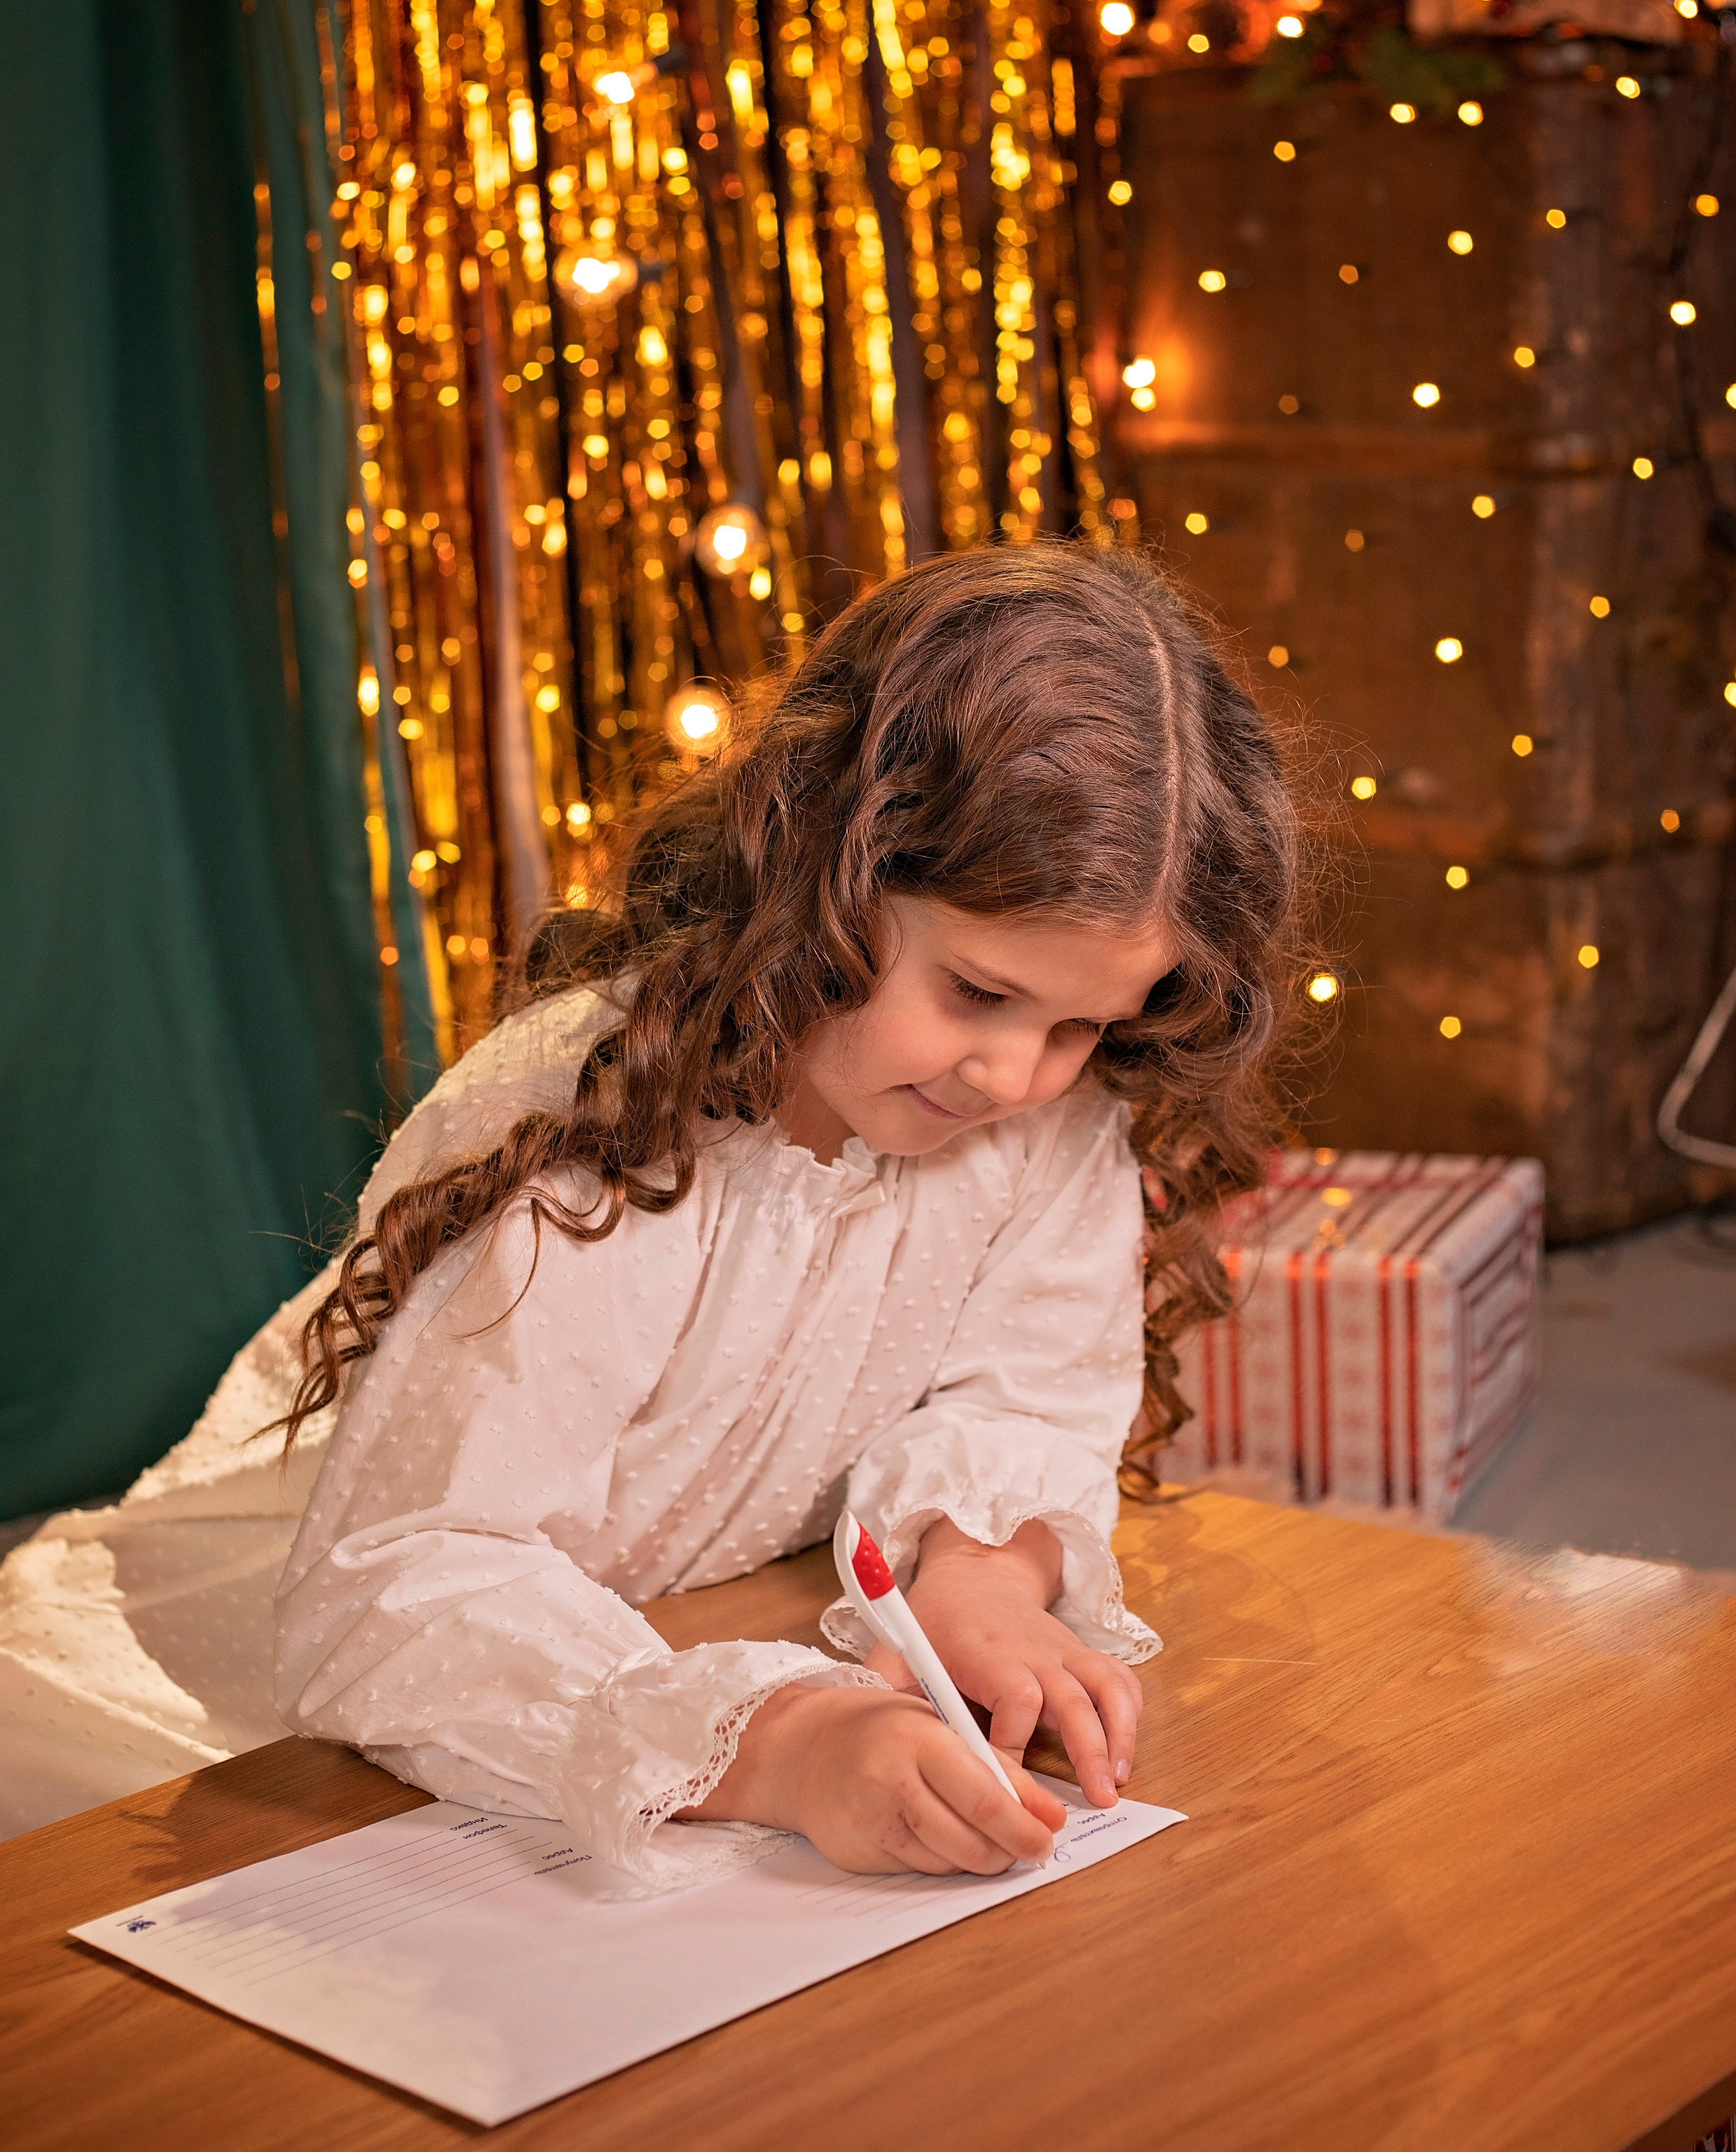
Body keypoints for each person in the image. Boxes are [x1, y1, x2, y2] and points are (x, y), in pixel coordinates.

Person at [272, 541, 1301, 1896]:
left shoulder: (1048, 1118)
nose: (1016, 1075)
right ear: (829, 863)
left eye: (1080, 1024)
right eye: (978, 990)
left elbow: (1028, 1399)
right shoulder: (596, 1129)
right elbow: (392, 1586)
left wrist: (981, 1581)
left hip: (718, 1598)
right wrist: (782, 1740)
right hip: (444, 1674)